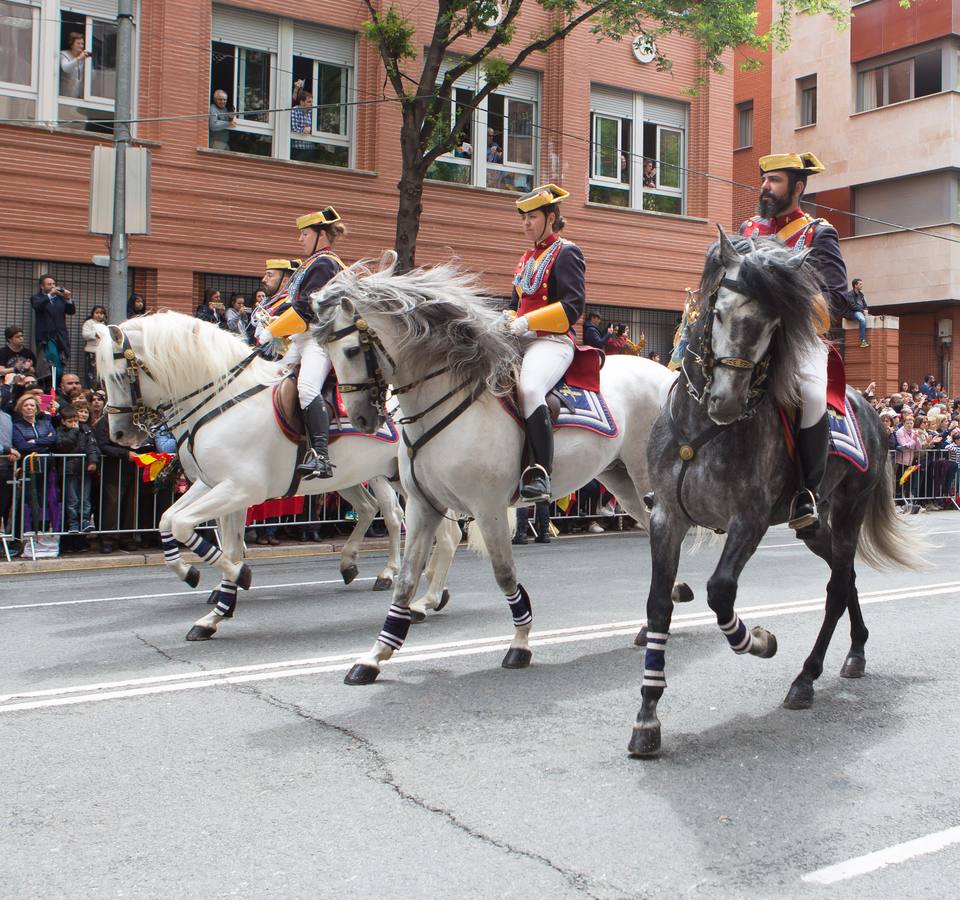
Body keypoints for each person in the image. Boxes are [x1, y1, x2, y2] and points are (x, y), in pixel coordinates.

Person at [740, 152, 848, 535]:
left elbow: (836, 298)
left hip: (798, 339)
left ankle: (806, 491)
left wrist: (789, 308)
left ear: (797, 188)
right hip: (748, 336)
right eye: (765, 179)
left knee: (813, 396)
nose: (765, 186)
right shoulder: (748, 230)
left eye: (775, 180)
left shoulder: (818, 233)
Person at [506, 184, 586, 500]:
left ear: (550, 217)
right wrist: (507, 316)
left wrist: (527, 322)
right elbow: (514, 303)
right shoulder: (525, 258)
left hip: (552, 342)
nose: (526, 223)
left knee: (529, 389)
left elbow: (571, 307)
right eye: (523, 217)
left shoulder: (567, 252)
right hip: (519, 339)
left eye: (533, 216)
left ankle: (540, 471)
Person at [266, 208, 349, 478]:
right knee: (271, 379)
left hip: (320, 339)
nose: (300, 239)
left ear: (321, 234)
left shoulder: (325, 263)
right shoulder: (313, 262)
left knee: (306, 387)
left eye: (305, 234)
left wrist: (273, 329)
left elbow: (306, 309)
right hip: (303, 338)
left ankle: (321, 457)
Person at [55, 403, 99, 535]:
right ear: (63, 421)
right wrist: (74, 431)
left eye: (75, 421)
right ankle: (73, 523)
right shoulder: (60, 432)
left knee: (85, 499)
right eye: (70, 422)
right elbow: (64, 446)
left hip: (84, 469)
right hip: (69, 470)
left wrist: (93, 461)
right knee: (72, 499)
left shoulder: (85, 430)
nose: (74, 424)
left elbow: (91, 446)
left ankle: (85, 522)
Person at [31, 274, 76, 376]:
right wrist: (50, 295)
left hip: (60, 336)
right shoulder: (36, 298)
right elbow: (37, 306)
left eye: (54, 284)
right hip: (45, 337)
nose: (52, 286)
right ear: (42, 286)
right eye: (49, 284)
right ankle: (48, 387)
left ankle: (58, 386)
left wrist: (68, 298)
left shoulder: (60, 298)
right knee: (47, 365)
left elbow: (71, 311)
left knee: (60, 362)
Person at [59, 32, 90, 100]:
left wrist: (89, 63)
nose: (81, 46)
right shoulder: (64, 54)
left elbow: (92, 76)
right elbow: (66, 68)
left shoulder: (83, 58)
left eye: (82, 44)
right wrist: (79, 58)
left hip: (79, 97)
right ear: (71, 44)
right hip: (64, 97)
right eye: (78, 43)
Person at [81, 305, 107, 387]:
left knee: (101, 372)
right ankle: (90, 388)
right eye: (97, 313)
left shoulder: (104, 324)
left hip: (102, 352)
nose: (99, 315)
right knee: (91, 372)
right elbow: (85, 335)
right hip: (91, 351)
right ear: (92, 313)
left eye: (101, 313)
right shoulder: (89, 323)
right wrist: (95, 334)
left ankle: (100, 388)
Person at [291, 84, 314, 162]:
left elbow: (315, 128)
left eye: (311, 102)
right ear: (301, 102)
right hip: (297, 148)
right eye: (309, 102)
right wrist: (303, 130)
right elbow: (293, 128)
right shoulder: (294, 110)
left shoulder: (312, 112)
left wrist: (311, 130)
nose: (311, 104)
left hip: (309, 148)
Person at [844, 278, 869, 348]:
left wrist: (866, 310)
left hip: (860, 312)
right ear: (855, 285)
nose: (862, 285)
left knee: (866, 318)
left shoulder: (861, 295)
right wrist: (862, 310)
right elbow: (852, 306)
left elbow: (865, 305)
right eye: (860, 284)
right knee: (862, 319)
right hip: (852, 313)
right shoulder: (850, 294)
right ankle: (862, 340)